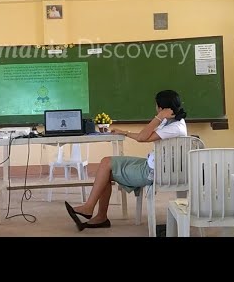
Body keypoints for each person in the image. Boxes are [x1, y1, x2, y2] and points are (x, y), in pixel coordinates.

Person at [65, 90, 187, 230]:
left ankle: (89, 209)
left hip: (153, 172)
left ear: (161, 108)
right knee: (105, 170)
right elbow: (144, 136)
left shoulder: (173, 127)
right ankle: (99, 216)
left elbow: (142, 138)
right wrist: (125, 133)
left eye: (156, 106)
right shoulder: (174, 123)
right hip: (154, 165)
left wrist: (158, 118)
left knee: (106, 164)